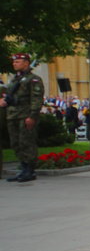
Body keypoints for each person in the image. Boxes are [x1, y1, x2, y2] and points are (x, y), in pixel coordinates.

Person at [1, 53, 45, 182]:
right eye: (14, 62)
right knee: (16, 143)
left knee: (26, 142)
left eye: (18, 62)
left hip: (25, 115)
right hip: (12, 115)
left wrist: (32, 116)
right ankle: (23, 168)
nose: (14, 64)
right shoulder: (15, 79)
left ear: (26, 63)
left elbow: (36, 99)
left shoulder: (34, 79)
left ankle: (30, 170)